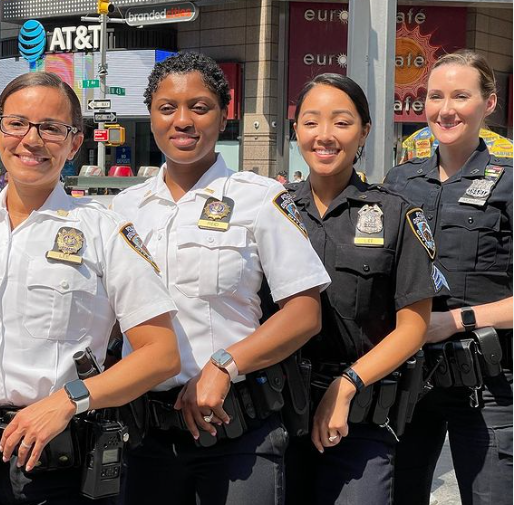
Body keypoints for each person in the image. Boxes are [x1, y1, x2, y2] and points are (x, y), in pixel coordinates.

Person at [0, 71, 181, 505]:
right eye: (17, 123)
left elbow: (160, 354)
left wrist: (70, 400)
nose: (31, 140)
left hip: (63, 473)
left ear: (74, 143)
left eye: (51, 128)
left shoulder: (105, 232)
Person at [111, 52, 331, 505]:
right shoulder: (123, 209)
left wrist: (223, 364)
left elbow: (305, 314)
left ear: (225, 115)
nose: (183, 121)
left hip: (236, 433)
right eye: (167, 108)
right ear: (150, 114)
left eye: (200, 107)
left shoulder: (260, 198)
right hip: (146, 436)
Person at [283, 73, 439, 505]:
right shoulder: (271, 212)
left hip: (360, 418)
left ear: (365, 131)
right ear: (296, 130)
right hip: (274, 415)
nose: (325, 136)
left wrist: (347, 383)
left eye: (342, 122)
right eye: (311, 122)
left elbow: (413, 327)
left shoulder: (398, 214)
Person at [385, 50, 513, 505]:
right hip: (407, 377)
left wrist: (455, 322)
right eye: (435, 96)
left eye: (461, 95)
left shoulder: (509, 183)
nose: (445, 108)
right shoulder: (399, 183)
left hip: (487, 382)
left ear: (489, 103)